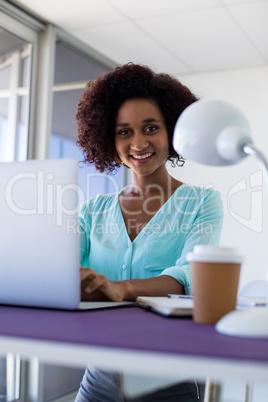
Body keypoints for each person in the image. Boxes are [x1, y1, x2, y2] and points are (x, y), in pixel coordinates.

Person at [75, 63, 223, 401]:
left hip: (169, 379)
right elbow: (62, 271)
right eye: (124, 131)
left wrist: (119, 288)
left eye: (151, 127)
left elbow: (190, 274)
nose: (138, 142)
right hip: (98, 377)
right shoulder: (91, 210)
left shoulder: (202, 202)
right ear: (108, 138)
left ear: (172, 131)